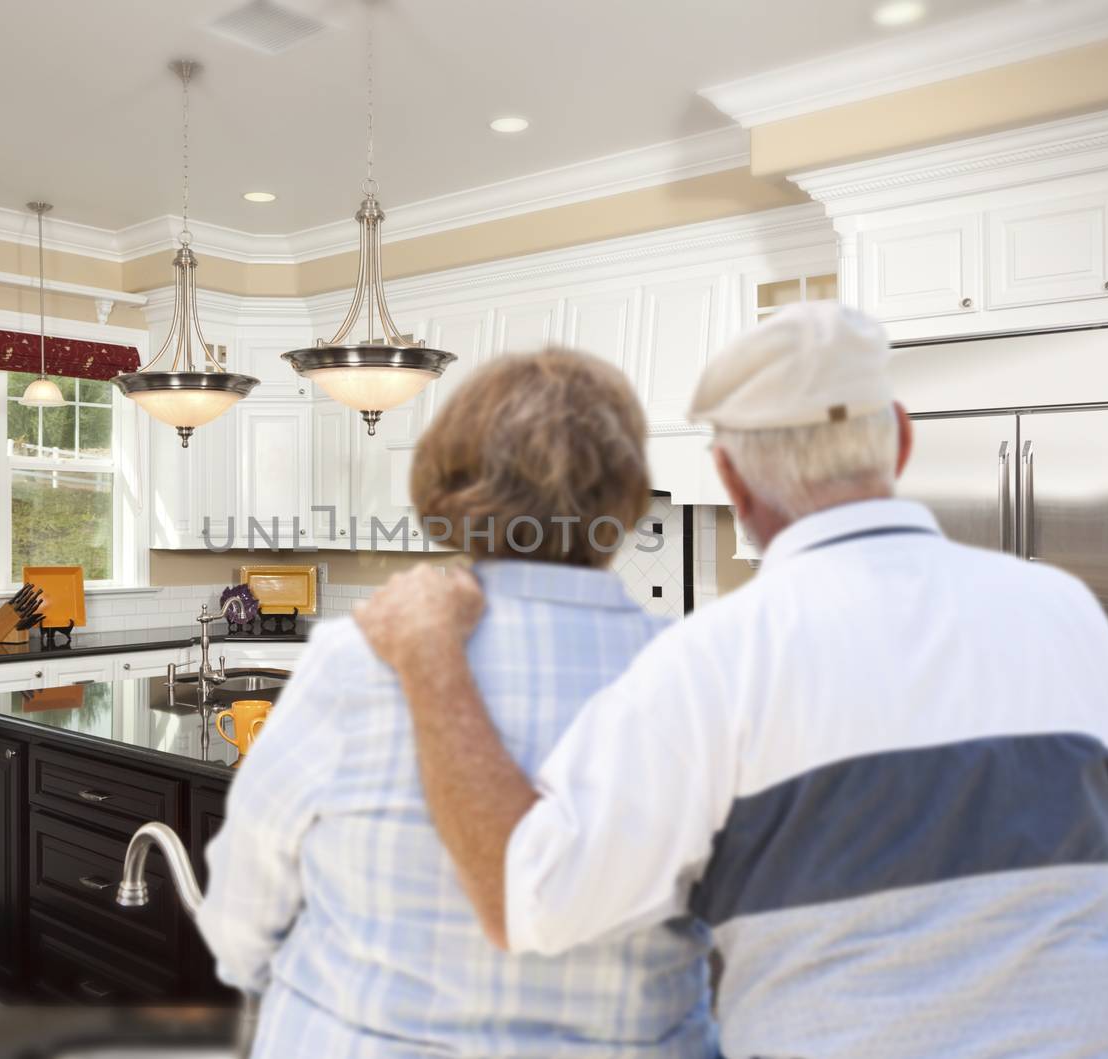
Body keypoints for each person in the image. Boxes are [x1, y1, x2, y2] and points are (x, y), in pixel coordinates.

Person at [353, 302, 1108, 1059]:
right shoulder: (1064, 612)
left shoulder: (711, 662)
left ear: (728, 476)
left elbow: (527, 897)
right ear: (901, 438)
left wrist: (431, 658)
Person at [197, 351, 718, 1058]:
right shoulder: (701, 678)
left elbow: (245, 900)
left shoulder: (355, 659)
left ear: (446, 482)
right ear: (626, 491)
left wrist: (281, 986)